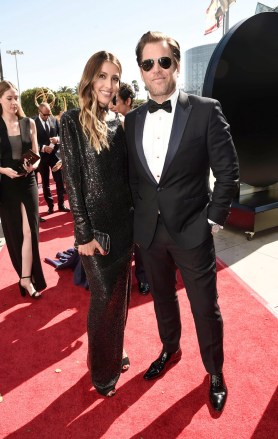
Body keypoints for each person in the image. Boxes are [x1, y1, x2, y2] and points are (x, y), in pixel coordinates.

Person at [125, 31, 239, 412]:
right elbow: (132, 178)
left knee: (205, 306)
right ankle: (169, 348)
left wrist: (213, 220)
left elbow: (228, 172)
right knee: (162, 300)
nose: (156, 70)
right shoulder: (132, 120)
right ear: (140, 71)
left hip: (193, 229)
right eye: (147, 63)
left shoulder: (206, 109)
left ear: (175, 63)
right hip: (150, 233)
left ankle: (215, 371)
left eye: (163, 61)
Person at [60, 51, 133, 397]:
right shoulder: (71, 120)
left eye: (114, 78)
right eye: (102, 76)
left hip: (124, 227)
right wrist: (83, 234)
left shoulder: (118, 122)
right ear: (90, 79)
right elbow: (72, 181)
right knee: (103, 300)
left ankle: (110, 355)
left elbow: (124, 178)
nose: (109, 84)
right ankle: (102, 374)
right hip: (96, 234)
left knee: (120, 299)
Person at [0, 80, 46, 297]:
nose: (14, 102)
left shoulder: (29, 123)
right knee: (16, 233)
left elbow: (36, 153)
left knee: (30, 231)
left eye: (16, 97)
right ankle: (25, 276)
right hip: (6, 185)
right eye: (9, 98)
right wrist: (4, 171)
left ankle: (26, 279)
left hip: (28, 182)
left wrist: (33, 166)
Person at [112, 82, 150, 295]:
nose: (113, 104)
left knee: (140, 236)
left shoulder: (136, 120)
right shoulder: (113, 121)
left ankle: (143, 276)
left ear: (127, 100)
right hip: (120, 188)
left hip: (138, 189)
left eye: (116, 100)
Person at [35, 102, 69, 214]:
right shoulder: (33, 123)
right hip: (42, 158)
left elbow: (61, 135)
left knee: (59, 181)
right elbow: (31, 141)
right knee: (45, 183)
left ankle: (61, 205)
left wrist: (57, 139)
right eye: (45, 114)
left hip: (55, 156)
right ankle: (50, 206)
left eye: (49, 114)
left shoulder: (54, 120)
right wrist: (43, 148)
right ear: (39, 112)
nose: (47, 116)